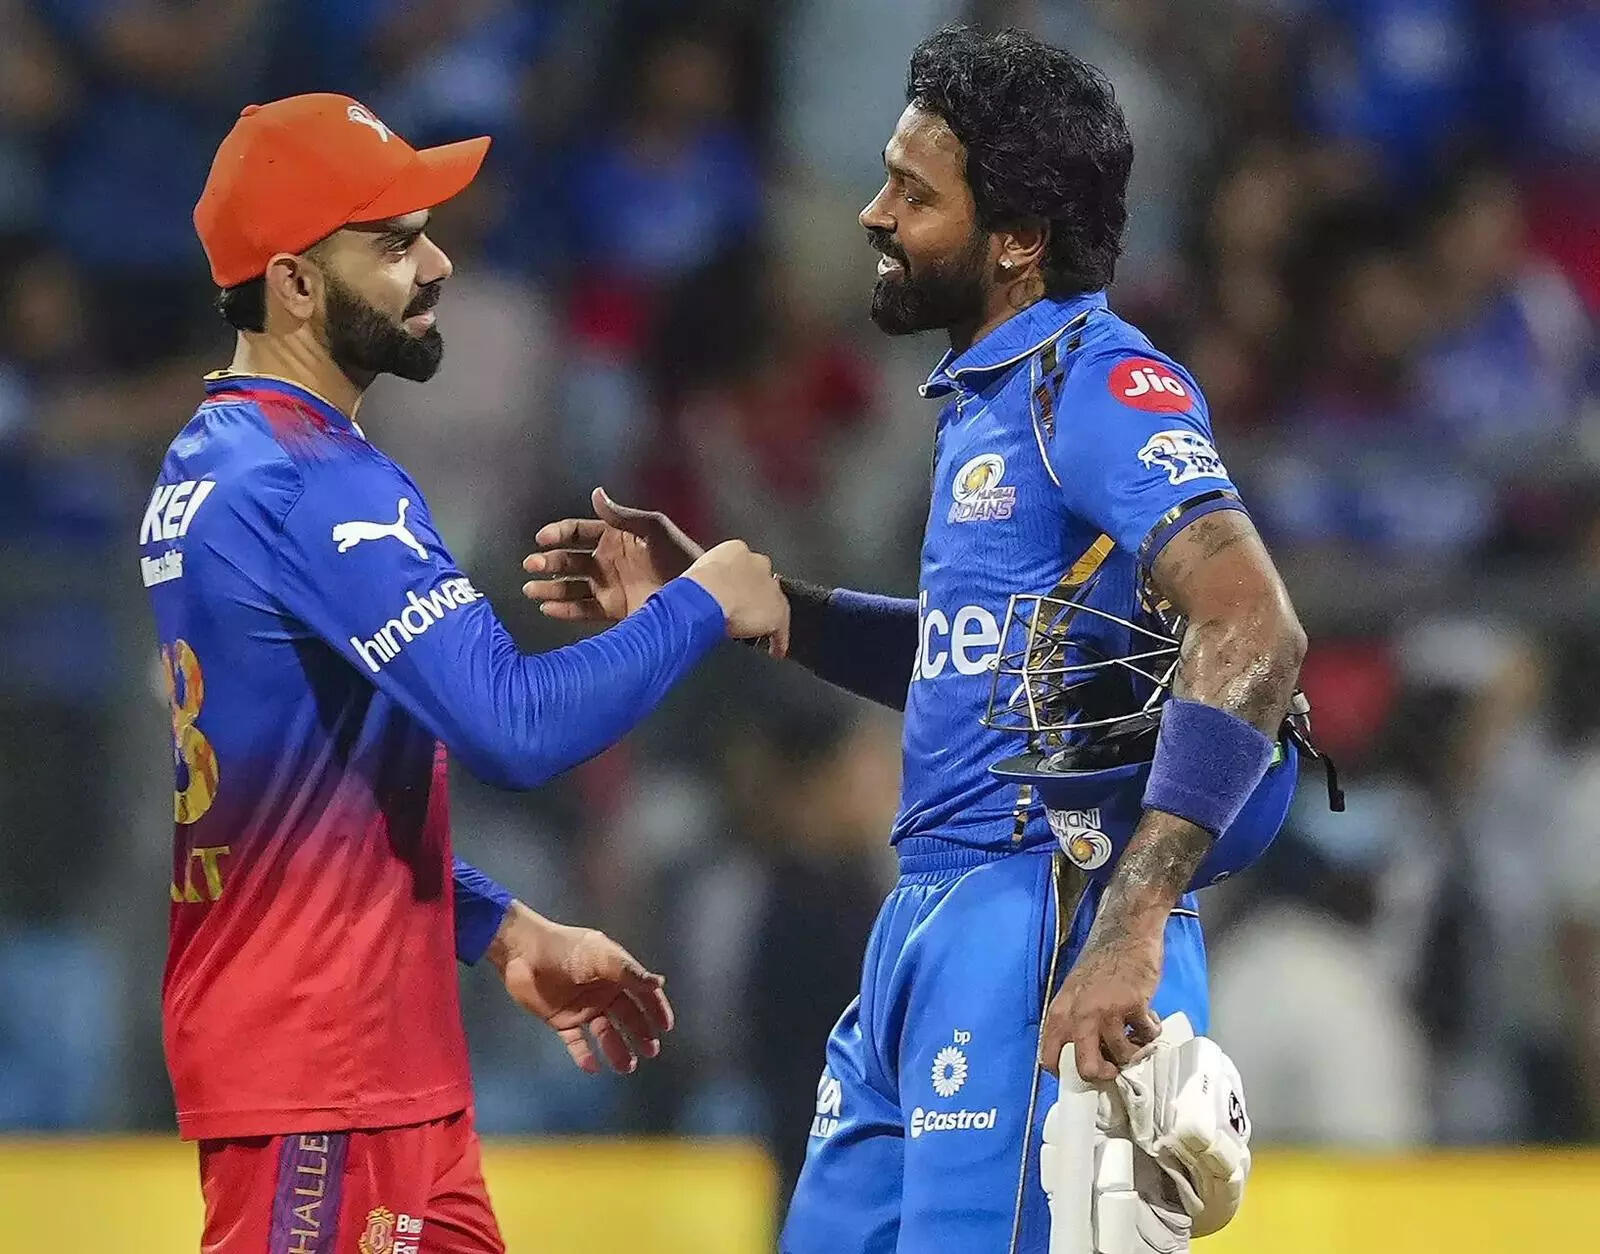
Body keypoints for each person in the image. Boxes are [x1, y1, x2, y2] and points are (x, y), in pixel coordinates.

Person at [525, 27, 1312, 1252]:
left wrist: (1133, 919)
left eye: (912, 191)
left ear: (1016, 240)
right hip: (932, 918)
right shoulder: (991, 402)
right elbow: (989, 665)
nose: (870, 213)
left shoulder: (1094, 385)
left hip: (1043, 915)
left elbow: (1252, 619)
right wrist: (775, 614)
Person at [144, 94, 788, 1253]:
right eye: (393, 244)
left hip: (371, 1069)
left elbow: (304, 791)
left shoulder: (215, 459)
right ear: (293, 281)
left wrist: (496, 924)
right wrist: (705, 601)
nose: (437, 262)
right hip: (323, 1086)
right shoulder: (313, 483)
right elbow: (512, 728)